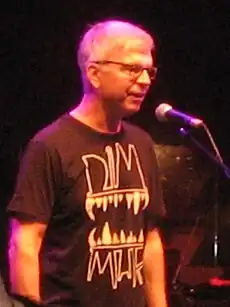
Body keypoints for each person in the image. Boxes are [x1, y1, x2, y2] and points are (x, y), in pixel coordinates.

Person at [7, 19, 168, 307]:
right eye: (132, 69)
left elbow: (150, 238)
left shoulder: (141, 144)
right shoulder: (50, 145)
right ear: (94, 73)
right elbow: (25, 243)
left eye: (149, 71)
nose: (144, 81)